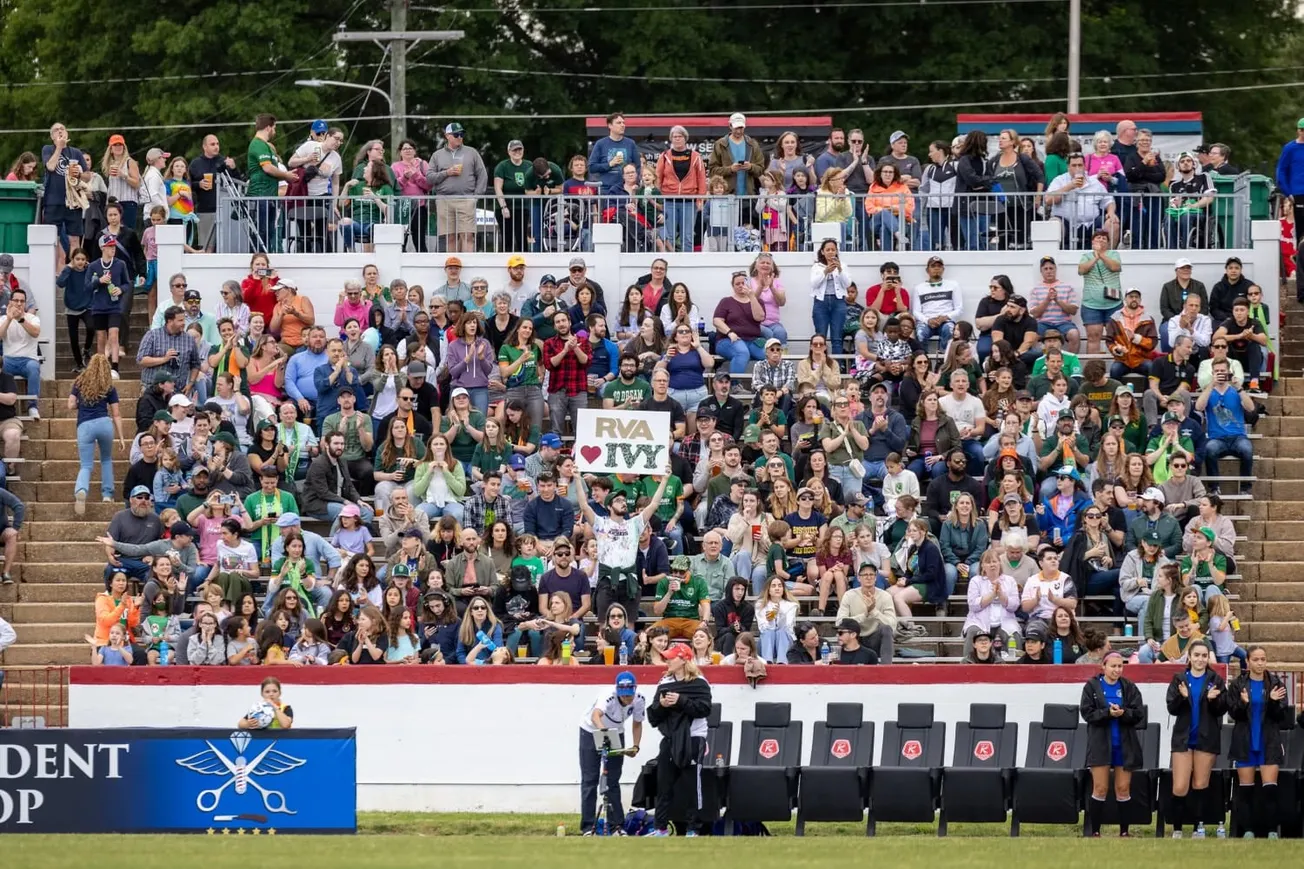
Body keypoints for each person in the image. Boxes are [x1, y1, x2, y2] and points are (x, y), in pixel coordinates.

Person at [645, 642, 713, 837]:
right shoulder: (663, 683)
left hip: (693, 738)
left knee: (692, 784)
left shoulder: (700, 682)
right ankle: (660, 827)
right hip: (670, 738)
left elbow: (705, 709)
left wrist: (681, 701)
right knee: (663, 782)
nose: (667, 660)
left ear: (683, 660)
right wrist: (663, 705)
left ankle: (694, 828)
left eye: (671, 657)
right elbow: (653, 716)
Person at [1225, 646, 1292, 839]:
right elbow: (1234, 714)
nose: (1260, 663)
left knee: (1270, 789)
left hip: (1268, 741)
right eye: (1256, 659)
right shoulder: (1238, 684)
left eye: (1263, 659)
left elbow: (1280, 715)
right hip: (1245, 741)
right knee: (1245, 791)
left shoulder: (1275, 683)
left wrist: (1271, 701)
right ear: (1248, 661)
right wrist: (1243, 703)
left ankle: (1272, 831)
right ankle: (1247, 831)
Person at [1164, 639, 1226, 838]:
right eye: (1197, 655)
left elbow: (1221, 710)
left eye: (1204, 655)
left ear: (1208, 658)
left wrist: (1212, 700)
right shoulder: (1179, 678)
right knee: (1180, 786)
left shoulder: (1215, 679)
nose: (1200, 659)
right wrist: (1182, 697)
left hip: (1206, 739)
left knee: (1200, 784)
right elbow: (1171, 708)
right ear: (1189, 657)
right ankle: (1177, 829)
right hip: (1183, 739)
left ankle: (1198, 828)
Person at [1079, 652, 1146, 837]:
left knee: (1123, 788)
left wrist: (1123, 713)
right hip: (1101, 743)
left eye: (1120, 666)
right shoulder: (1092, 686)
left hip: (1124, 745)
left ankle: (1124, 832)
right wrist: (1107, 713)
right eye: (1113, 666)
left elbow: (1138, 713)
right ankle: (1095, 832)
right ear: (1104, 666)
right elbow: (1087, 713)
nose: (1117, 670)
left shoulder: (1128, 687)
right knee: (1100, 787)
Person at [578, 671, 645, 836]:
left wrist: (635, 746)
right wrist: (605, 734)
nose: (626, 699)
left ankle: (617, 825)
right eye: (623, 696)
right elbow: (595, 716)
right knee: (590, 779)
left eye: (629, 696)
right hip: (591, 730)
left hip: (617, 730)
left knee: (612, 780)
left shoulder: (639, 699)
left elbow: (637, 723)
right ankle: (587, 826)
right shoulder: (607, 696)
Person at [1196, 360, 1254, 478]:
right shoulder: (1209, 392)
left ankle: (1245, 487)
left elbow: (1251, 408)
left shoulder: (1236, 391)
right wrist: (1210, 385)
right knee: (1209, 449)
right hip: (1217, 438)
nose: (1220, 373)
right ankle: (1214, 487)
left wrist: (1239, 388)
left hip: (1238, 437)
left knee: (1247, 449)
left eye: (1223, 371)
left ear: (1229, 372)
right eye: (1217, 371)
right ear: (1212, 373)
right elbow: (1199, 407)